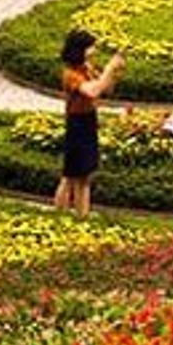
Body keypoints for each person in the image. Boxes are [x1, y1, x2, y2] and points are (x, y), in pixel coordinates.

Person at [55, 30, 124, 218]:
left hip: (88, 119)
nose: (93, 51)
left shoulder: (86, 67)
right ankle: (66, 214)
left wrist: (113, 73)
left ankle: (80, 215)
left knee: (83, 175)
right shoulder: (70, 74)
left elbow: (104, 88)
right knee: (71, 175)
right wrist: (109, 69)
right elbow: (92, 91)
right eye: (90, 47)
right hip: (77, 123)